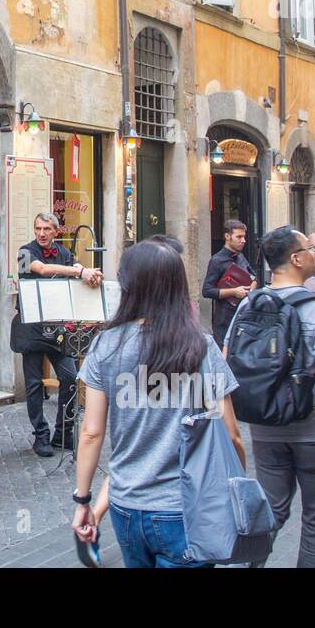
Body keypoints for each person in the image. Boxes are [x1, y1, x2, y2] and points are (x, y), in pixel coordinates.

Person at [70, 240, 243, 568]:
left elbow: (92, 433)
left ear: (127, 284)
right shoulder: (201, 346)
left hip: (126, 507)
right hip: (185, 506)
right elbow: (231, 434)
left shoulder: (105, 345)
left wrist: (83, 500)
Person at [228, 227, 315, 567]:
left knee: (271, 510)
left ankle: (247, 563)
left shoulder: (249, 304)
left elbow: (229, 360)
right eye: (309, 248)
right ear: (296, 258)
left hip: (265, 430)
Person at [11, 213, 102, 457]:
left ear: (56, 231)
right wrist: (79, 270)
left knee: (70, 378)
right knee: (33, 385)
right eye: (38, 228)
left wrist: (91, 276)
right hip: (30, 326)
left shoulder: (65, 254)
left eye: (47, 229)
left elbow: (78, 277)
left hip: (58, 330)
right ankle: (40, 436)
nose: (41, 233)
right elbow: (41, 270)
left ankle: (63, 432)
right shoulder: (24, 252)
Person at [201, 220, 254, 350]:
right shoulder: (217, 261)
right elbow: (207, 291)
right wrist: (233, 292)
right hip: (224, 320)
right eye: (239, 237)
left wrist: (252, 287)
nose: (243, 240)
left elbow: (253, 276)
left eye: (244, 237)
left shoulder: (240, 256)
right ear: (227, 236)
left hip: (244, 317)